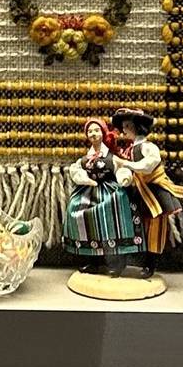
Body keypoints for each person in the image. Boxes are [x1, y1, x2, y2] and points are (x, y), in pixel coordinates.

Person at [63, 116, 140, 272]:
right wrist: (84, 179)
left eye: (96, 130)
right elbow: (75, 171)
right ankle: (93, 261)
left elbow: (121, 169)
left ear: (103, 133)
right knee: (80, 214)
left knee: (112, 215)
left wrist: (124, 178)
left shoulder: (112, 157)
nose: (93, 134)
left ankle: (117, 263)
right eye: (90, 131)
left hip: (109, 190)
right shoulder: (85, 159)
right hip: (88, 191)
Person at [109, 109, 183, 256]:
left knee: (155, 224)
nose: (124, 130)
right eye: (123, 127)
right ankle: (141, 255)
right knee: (140, 223)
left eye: (127, 126)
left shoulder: (148, 147)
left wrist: (126, 164)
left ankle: (152, 259)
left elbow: (148, 165)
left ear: (137, 127)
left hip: (154, 190)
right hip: (140, 190)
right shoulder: (129, 149)